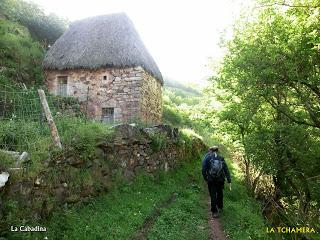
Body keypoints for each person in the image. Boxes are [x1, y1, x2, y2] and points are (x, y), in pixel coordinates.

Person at [202, 146, 231, 218]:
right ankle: (220, 207)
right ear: (218, 151)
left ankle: (214, 211)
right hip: (220, 180)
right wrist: (229, 180)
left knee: (213, 195)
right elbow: (226, 169)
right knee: (220, 193)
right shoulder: (221, 158)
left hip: (211, 180)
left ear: (210, 151)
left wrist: (206, 178)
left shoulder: (207, 158)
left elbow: (203, 169)